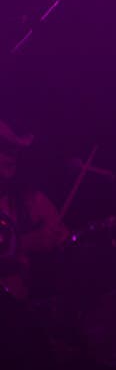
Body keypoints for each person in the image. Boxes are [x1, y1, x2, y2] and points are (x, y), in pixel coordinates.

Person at [0, 118, 69, 300]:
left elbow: (68, 247)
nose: (12, 156)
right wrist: (24, 244)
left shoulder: (33, 200)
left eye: (14, 149)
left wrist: (57, 243)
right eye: (4, 148)